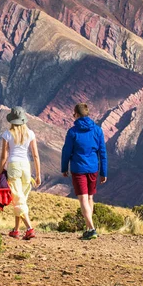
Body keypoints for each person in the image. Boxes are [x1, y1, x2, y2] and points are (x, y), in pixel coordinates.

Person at [61, 103, 108, 240]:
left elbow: (66, 152)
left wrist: (64, 168)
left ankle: (92, 229)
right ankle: (88, 228)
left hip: (78, 169)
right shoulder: (97, 130)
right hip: (93, 168)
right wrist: (103, 172)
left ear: (77, 114)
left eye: (73, 114)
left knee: (82, 198)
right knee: (90, 198)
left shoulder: (72, 132)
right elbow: (102, 153)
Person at [0, 106, 41, 240]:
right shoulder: (30, 134)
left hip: (14, 166)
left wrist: (0, 173)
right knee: (20, 199)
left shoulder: (7, 134)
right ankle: (16, 230)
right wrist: (38, 174)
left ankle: (29, 228)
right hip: (26, 168)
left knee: (18, 199)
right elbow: (35, 156)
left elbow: (4, 157)